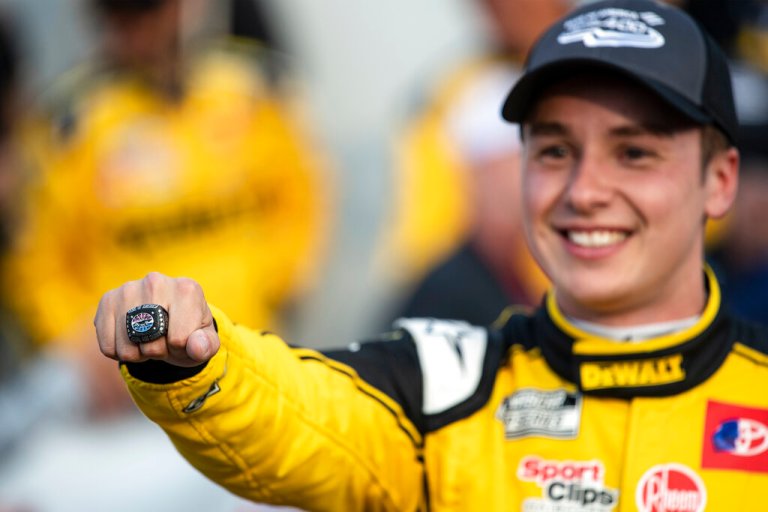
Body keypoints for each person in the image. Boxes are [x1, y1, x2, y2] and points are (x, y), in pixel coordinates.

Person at [94, 0, 768, 509]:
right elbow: (298, 408)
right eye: (554, 149)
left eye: (635, 153)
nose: (584, 190)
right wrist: (199, 358)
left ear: (721, 181)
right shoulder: (448, 383)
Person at [4, 0, 329, 416]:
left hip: (246, 356)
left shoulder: (250, 90)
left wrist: (272, 288)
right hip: (125, 386)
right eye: (117, 17)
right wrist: (82, 345)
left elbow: (301, 201)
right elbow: (38, 262)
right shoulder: (73, 124)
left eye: (147, 12)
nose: (134, 32)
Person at [377, 0, 566, 325]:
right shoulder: (465, 92)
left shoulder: (620, 75)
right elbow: (425, 222)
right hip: (486, 294)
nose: (502, 11)